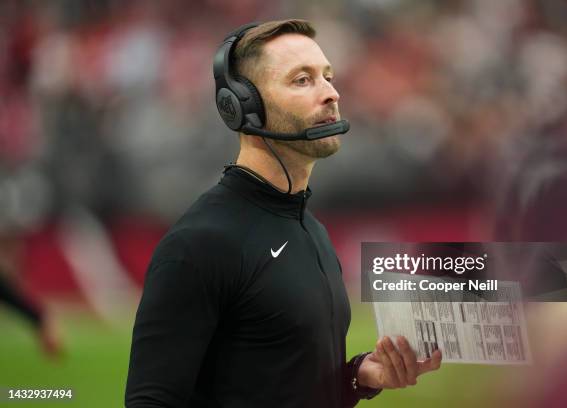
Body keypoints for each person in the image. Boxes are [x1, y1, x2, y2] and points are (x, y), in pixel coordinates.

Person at [125, 19, 441, 408]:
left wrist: (359, 376)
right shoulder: (200, 243)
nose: (331, 93)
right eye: (302, 80)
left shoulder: (313, 232)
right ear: (244, 106)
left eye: (327, 76)